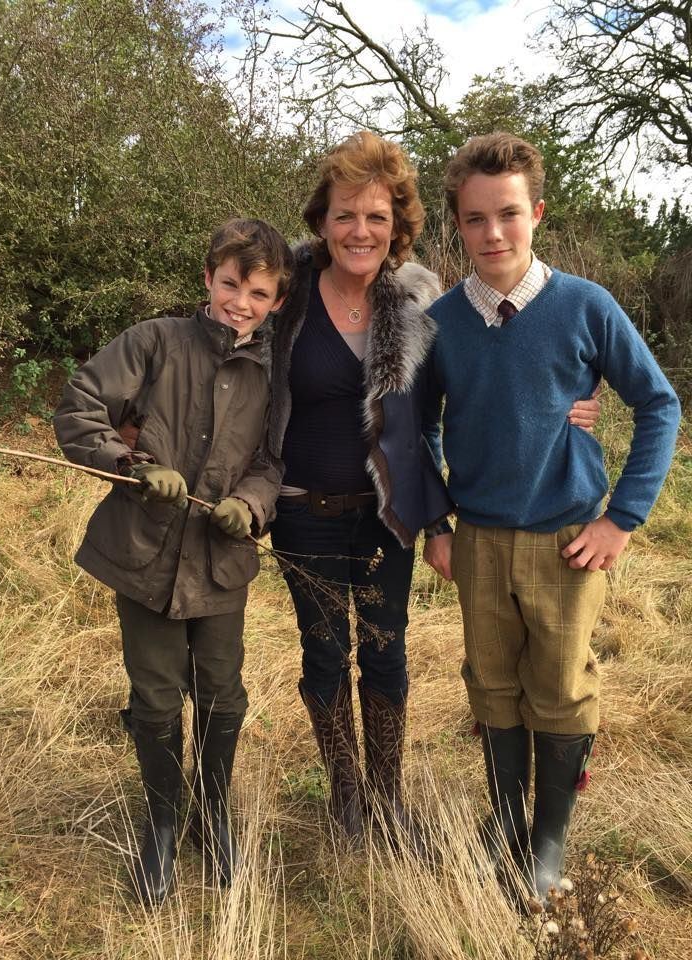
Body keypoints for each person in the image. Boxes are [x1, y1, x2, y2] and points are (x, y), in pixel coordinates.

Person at [266, 131, 600, 850]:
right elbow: (218, 352)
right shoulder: (285, 298)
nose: (361, 230)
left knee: (386, 653)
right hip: (302, 516)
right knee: (324, 654)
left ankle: (387, 802)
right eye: (346, 214)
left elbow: (458, 400)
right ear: (322, 221)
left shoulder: (421, 307)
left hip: (389, 516)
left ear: (398, 228)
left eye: (377, 218)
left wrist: (574, 395)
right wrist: (148, 420)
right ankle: (346, 799)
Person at [422, 132, 681, 900]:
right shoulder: (440, 323)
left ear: (536, 213)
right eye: (475, 219)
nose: (493, 233)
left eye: (508, 214)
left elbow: (659, 404)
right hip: (477, 539)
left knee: (560, 687)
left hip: (569, 541)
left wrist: (622, 518)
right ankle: (503, 823)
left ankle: (548, 840)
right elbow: (416, 426)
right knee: (491, 684)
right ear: (457, 227)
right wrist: (437, 522)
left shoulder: (585, 307)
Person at [54, 219, 293, 906]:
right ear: (207, 279)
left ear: (276, 301)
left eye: (257, 292)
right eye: (229, 285)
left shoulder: (275, 376)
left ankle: (213, 815)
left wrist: (249, 505)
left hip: (221, 566)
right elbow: (79, 409)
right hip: (143, 558)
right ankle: (164, 818)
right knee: (156, 698)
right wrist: (128, 463)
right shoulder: (155, 341)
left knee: (223, 694)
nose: (239, 303)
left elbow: (275, 463)